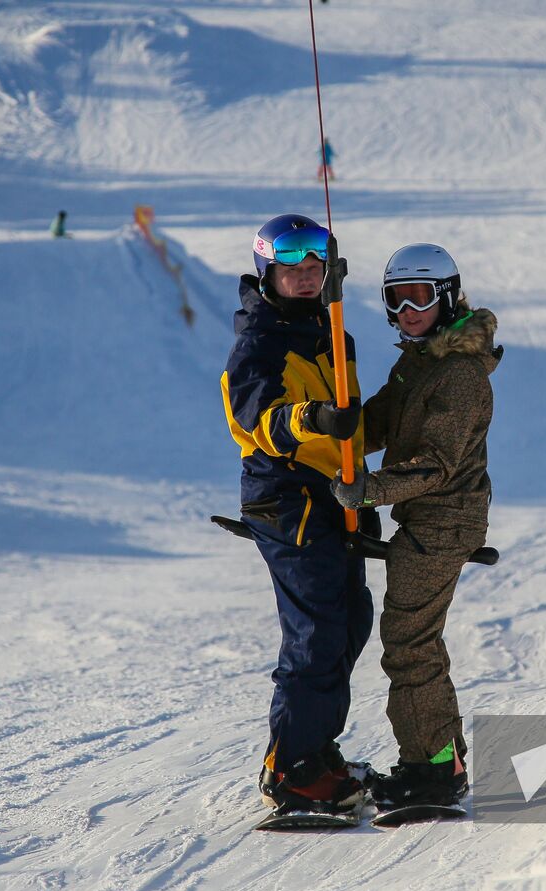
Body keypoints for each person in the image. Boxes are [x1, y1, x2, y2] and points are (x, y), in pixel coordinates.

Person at [330, 243, 501, 812]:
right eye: (396, 299)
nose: (407, 310)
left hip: (443, 520)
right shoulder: (419, 360)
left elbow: (435, 463)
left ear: (447, 298)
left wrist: (370, 489)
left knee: (410, 642)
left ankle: (431, 771)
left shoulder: (458, 375)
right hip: (424, 517)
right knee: (412, 640)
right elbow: (377, 421)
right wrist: (329, 430)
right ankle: (439, 761)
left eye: (420, 297)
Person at [221, 213, 375, 814]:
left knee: (351, 618)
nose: (307, 279)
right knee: (316, 631)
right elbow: (254, 417)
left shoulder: (332, 331)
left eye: (316, 269)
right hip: (286, 498)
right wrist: (310, 419)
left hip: (333, 497)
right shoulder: (258, 342)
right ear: (268, 274)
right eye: (294, 271)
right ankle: (290, 768)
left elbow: (353, 428)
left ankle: (316, 748)